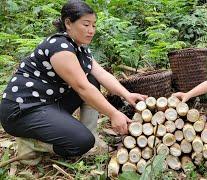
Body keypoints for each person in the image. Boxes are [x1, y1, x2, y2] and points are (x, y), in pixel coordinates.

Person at [0, 0, 147, 165]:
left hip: (48, 103)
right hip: (22, 111)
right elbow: (82, 88)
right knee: (81, 142)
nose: (91, 30)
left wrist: (127, 95)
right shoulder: (59, 46)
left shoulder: (80, 47)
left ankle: (92, 137)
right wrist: (113, 114)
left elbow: (101, 74)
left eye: (94, 25)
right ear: (68, 23)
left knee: (92, 79)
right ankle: (32, 144)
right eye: (86, 25)